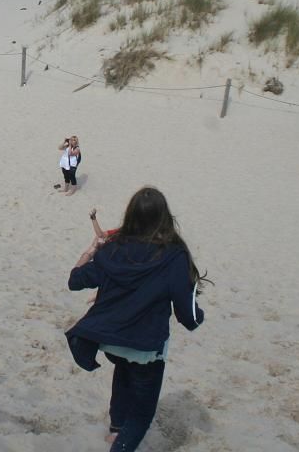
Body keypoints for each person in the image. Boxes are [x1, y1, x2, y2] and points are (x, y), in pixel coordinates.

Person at [66, 187, 208, 452]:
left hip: (111, 339)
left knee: (123, 370)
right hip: (145, 346)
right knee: (142, 414)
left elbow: (75, 280)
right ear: (165, 218)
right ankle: (120, 442)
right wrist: (198, 318)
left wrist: (90, 252)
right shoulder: (174, 256)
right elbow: (187, 316)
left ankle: (115, 430)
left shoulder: (113, 249)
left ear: (130, 215)